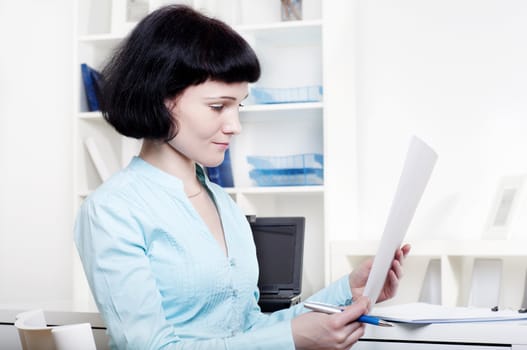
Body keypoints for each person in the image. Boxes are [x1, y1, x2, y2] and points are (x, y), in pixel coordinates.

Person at [74, 5, 411, 350]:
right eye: (218, 107)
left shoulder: (223, 204)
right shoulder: (112, 211)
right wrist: (292, 340)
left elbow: (248, 329)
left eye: (240, 107)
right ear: (161, 99)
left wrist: (347, 291)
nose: (234, 126)